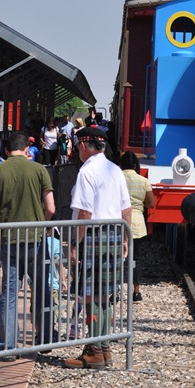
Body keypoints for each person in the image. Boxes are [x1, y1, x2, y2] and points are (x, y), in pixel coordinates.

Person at [0, 132, 55, 359]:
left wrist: (2, 216)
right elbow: (51, 208)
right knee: (42, 289)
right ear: (27, 150)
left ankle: (8, 346)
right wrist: (41, 223)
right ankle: (44, 339)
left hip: (8, 240)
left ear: (6, 150)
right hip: (35, 239)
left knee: (9, 293)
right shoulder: (39, 170)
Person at [64, 125, 132, 370]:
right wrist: (125, 238)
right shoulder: (115, 170)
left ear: (83, 145)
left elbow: (85, 212)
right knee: (105, 297)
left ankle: (95, 351)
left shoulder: (87, 171)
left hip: (93, 236)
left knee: (92, 296)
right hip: (114, 234)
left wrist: (74, 244)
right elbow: (126, 209)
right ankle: (104, 350)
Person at [119, 151, 155, 302]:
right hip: (137, 225)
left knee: (117, 258)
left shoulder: (116, 178)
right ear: (135, 165)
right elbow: (151, 203)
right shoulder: (143, 181)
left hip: (118, 222)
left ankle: (115, 291)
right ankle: (136, 291)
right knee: (135, 259)